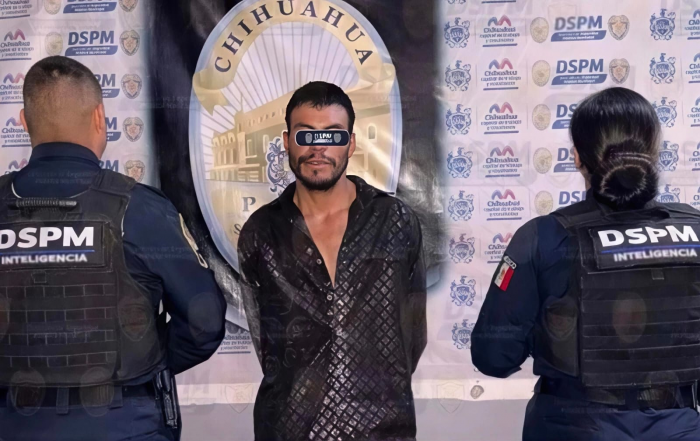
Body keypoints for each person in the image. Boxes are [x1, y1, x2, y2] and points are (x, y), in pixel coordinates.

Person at [0, 56, 226, 441]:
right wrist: (143, 360)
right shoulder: (140, 209)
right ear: (100, 117)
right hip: (122, 422)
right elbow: (204, 322)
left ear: (23, 121)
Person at [472, 87, 700, 441]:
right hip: (678, 427)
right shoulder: (695, 231)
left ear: (577, 156)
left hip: (573, 427)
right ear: (655, 153)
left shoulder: (542, 237)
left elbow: (494, 356)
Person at [238, 81, 427, 441]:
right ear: (287, 141)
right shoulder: (260, 232)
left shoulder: (395, 221)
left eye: (332, 135)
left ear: (351, 144)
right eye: (306, 134)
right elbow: (266, 341)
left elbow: (413, 335)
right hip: (290, 430)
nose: (318, 148)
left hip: (382, 431)